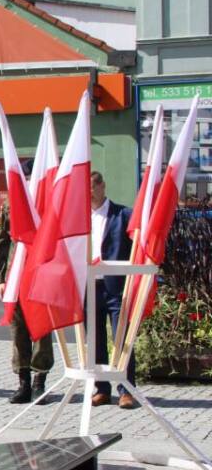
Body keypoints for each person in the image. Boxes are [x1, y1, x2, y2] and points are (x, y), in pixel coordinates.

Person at [0, 196, 53, 404]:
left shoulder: (49, 199)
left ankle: (39, 382)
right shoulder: (11, 203)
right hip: (16, 273)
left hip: (42, 274)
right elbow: (2, 240)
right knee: (18, 330)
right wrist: (0, 278)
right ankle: (23, 383)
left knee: (41, 330)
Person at [90, 170, 137, 409]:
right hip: (91, 286)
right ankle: (102, 389)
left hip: (116, 287)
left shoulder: (123, 214)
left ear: (102, 186)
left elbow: (135, 248)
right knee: (95, 340)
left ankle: (126, 390)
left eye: (92, 188)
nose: (89, 194)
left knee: (122, 340)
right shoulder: (80, 217)